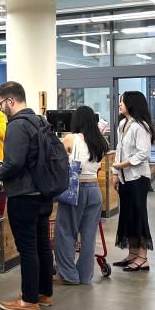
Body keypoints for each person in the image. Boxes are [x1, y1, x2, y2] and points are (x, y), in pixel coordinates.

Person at [0, 81, 54, 310]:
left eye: (1, 103)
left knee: (27, 248)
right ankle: (44, 293)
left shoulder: (16, 126)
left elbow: (14, 163)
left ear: (10, 101)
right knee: (42, 245)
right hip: (43, 193)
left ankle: (29, 300)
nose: (1, 108)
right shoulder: (40, 121)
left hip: (23, 195)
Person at [54, 106, 108, 285]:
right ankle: (85, 276)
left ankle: (68, 275)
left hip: (75, 189)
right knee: (88, 236)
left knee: (65, 232)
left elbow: (58, 158)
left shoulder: (71, 138)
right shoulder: (100, 141)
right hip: (94, 189)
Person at [112, 91, 155, 272]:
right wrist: (116, 172)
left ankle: (143, 258)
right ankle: (132, 253)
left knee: (138, 215)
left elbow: (143, 153)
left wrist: (123, 164)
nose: (119, 104)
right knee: (127, 216)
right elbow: (118, 149)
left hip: (138, 178)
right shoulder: (123, 124)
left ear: (131, 104)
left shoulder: (141, 126)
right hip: (124, 177)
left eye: (122, 101)